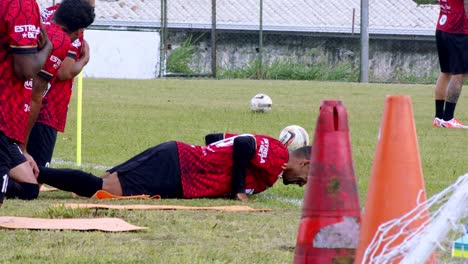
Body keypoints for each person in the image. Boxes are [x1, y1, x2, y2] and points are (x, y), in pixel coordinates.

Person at [8, 133, 311, 201]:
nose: (304, 183)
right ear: (305, 162)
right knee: (102, 189)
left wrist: (212, 156)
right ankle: (19, 170)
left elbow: (217, 138)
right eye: (307, 176)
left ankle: (19, 172)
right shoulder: (278, 155)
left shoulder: (271, 176)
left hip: (178, 166)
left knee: (99, 184)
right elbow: (244, 144)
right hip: (176, 167)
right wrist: (237, 192)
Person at [4, 0, 95, 203]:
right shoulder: (61, 39)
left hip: (15, 112)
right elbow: (38, 90)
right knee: (33, 181)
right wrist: (84, 60)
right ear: (79, 30)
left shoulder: (43, 15)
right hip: (37, 112)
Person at [26, 0, 95, 167]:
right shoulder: (75, 23)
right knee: (35, 178)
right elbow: (64, 71)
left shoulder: (48, 13)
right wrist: (84, 60)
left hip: (25, 101)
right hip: (47, 106)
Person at [0, 0, 53, 205]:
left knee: (29, 188)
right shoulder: (21, 4)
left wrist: (22, 149)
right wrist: (47, 48)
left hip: (8, 121)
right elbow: (25, 70)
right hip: (4, 114)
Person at [433, 0, 468, 128]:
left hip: (442, 27)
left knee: (445, 72)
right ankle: (448, 118)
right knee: (458, 74)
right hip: (459, 32)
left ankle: (439, 117)